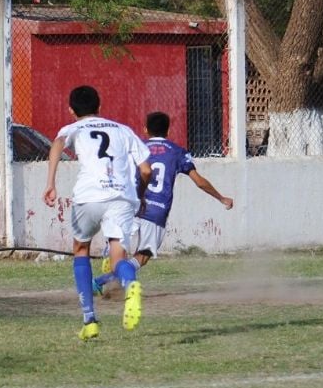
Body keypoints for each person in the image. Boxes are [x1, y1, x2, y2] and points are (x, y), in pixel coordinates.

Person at [43, 85, 152, 341]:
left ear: (71, 110)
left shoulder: (73, 129)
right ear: (100, 107)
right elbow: (146, 170)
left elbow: (57, 144)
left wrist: (50, 182)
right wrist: (140, 194)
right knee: (117, 259)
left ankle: (89, 320)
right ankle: (130, 283)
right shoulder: (123, 130)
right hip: (121, 198)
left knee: (81, 249)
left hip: (89, 196)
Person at [93, 111, 234, 295]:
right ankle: (101, 281)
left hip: (131, 205)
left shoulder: (137, 148)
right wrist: (221, 198)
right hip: (156, 211)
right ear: (168, 131)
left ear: (145, 129)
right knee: (143, 255)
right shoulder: (177, 152)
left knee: (119, 248)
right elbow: (199, 182)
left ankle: (110, 255)